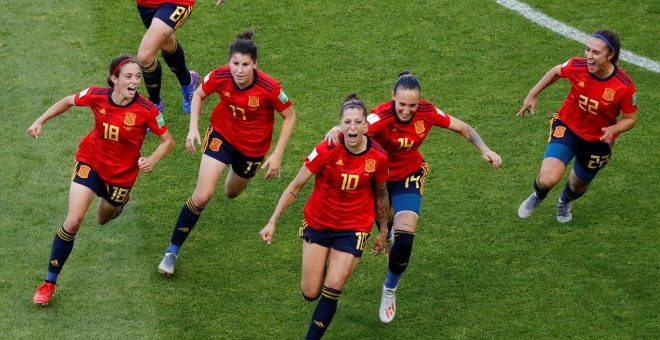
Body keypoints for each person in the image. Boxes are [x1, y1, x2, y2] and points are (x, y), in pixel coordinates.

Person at [326, 71, 502, 323]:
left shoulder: (427, 112)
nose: (407, 111)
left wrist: (484, 148)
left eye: (413, 105)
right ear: (392, 98)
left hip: (409, 175)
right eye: (402, 104)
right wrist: (336, 130)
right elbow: (354, 128)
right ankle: (386, 232)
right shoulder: (380, 117)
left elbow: (462, 126)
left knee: (405, 237)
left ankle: (389, 288)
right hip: (379, 180)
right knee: (385, 222)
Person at [29, 55, 175, 305]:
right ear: (114, 79)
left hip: (121, 176)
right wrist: (40, 120)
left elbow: (168, 141)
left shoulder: (147, 110)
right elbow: (67, 101)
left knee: (101, 218)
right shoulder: (97, 95)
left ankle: (120, 202)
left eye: (138, 76)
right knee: (73, 221)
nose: (135, 82)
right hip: (91, 162)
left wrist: (152, 159)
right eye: (128, 76)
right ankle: (49, 282)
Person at [157, 29, 297, 275]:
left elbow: (289, 116)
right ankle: (171, 252)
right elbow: (199, 95)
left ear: (255, 64)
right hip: (222, 136)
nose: (239, 70)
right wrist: (193, 129)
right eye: (235, 63)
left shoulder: (269, 87)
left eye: (245, 64)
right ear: (229, 61)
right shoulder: (220, 76)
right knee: (202, 196)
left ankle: (233, 170)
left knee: (231, 192)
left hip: (253, 149)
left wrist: (277, 154)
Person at [260, 94, 390, 339]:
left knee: (333, 287)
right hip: (319, 222)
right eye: (347, 122)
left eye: (357, 122)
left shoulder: (378, 157)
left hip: (354, 228)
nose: (353, 127)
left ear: (365, 125)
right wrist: (272, 221)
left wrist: (383, 231)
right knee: (310, 292)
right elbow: (295, 186)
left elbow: (381, 194)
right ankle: (329, 262)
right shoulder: (326, 149)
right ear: (340, 124)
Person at [516, 29, 637, 223]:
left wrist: (614, 129)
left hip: (597, 141)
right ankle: (539, 195)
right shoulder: (577, 66)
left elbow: (630, 119)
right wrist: (533, 93)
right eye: (587, 50)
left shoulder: (623, 86)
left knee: (577, 185)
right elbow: (557, 71)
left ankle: (565, 201)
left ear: (610, 55)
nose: (589, 56)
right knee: (548, 178)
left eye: (596, 53)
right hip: (568, 126)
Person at [136, 0, 225, 113]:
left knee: (145, 56)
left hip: (176, 3)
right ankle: (188, 81)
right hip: (147, 5)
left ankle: (154, 105)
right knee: (167, 45)